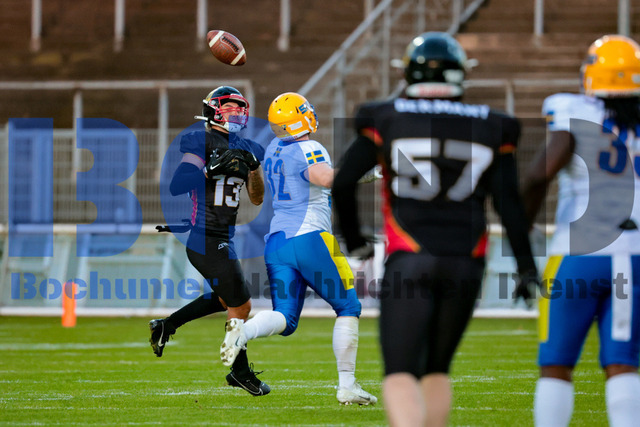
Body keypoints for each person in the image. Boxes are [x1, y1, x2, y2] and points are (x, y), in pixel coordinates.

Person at [331, 32, 537, 426]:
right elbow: (509, 204)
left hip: (410, 257)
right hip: (467, 260)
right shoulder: (494, 125)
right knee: (437, 370)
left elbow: (342, 184)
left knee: (401, 371)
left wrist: (356, 242)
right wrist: (526, 266)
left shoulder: (386, 117)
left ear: (408, 72)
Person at [218, 92, 378, 406]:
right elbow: (327, 178)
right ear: (299, 118)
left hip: (278, 242)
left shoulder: (275, 147)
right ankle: (347, 385)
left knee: (286, 319)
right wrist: (366, 172)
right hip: (310, 239)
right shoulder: (310, 147)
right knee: (348, 307)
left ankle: (243, 332)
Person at [521, 34, 640, 427]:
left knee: (556, 364)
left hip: (578, 252)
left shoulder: (572, 108)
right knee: (622, 363)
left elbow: (540, 172)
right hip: (634, 255)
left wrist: (521, 223)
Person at [148, 86, 270, 396]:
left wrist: (254, 167)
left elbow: (257, 198)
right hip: (204, 237)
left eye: (240, 108)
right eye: (229, 108)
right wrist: (210, 169)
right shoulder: (201, 141)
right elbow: (177, 184)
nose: (236, 113)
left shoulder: (247, 147)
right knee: (242, 305)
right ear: (213, 110)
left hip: (224, 237)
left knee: (226, 300)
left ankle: (166, 325)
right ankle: (240, 372)